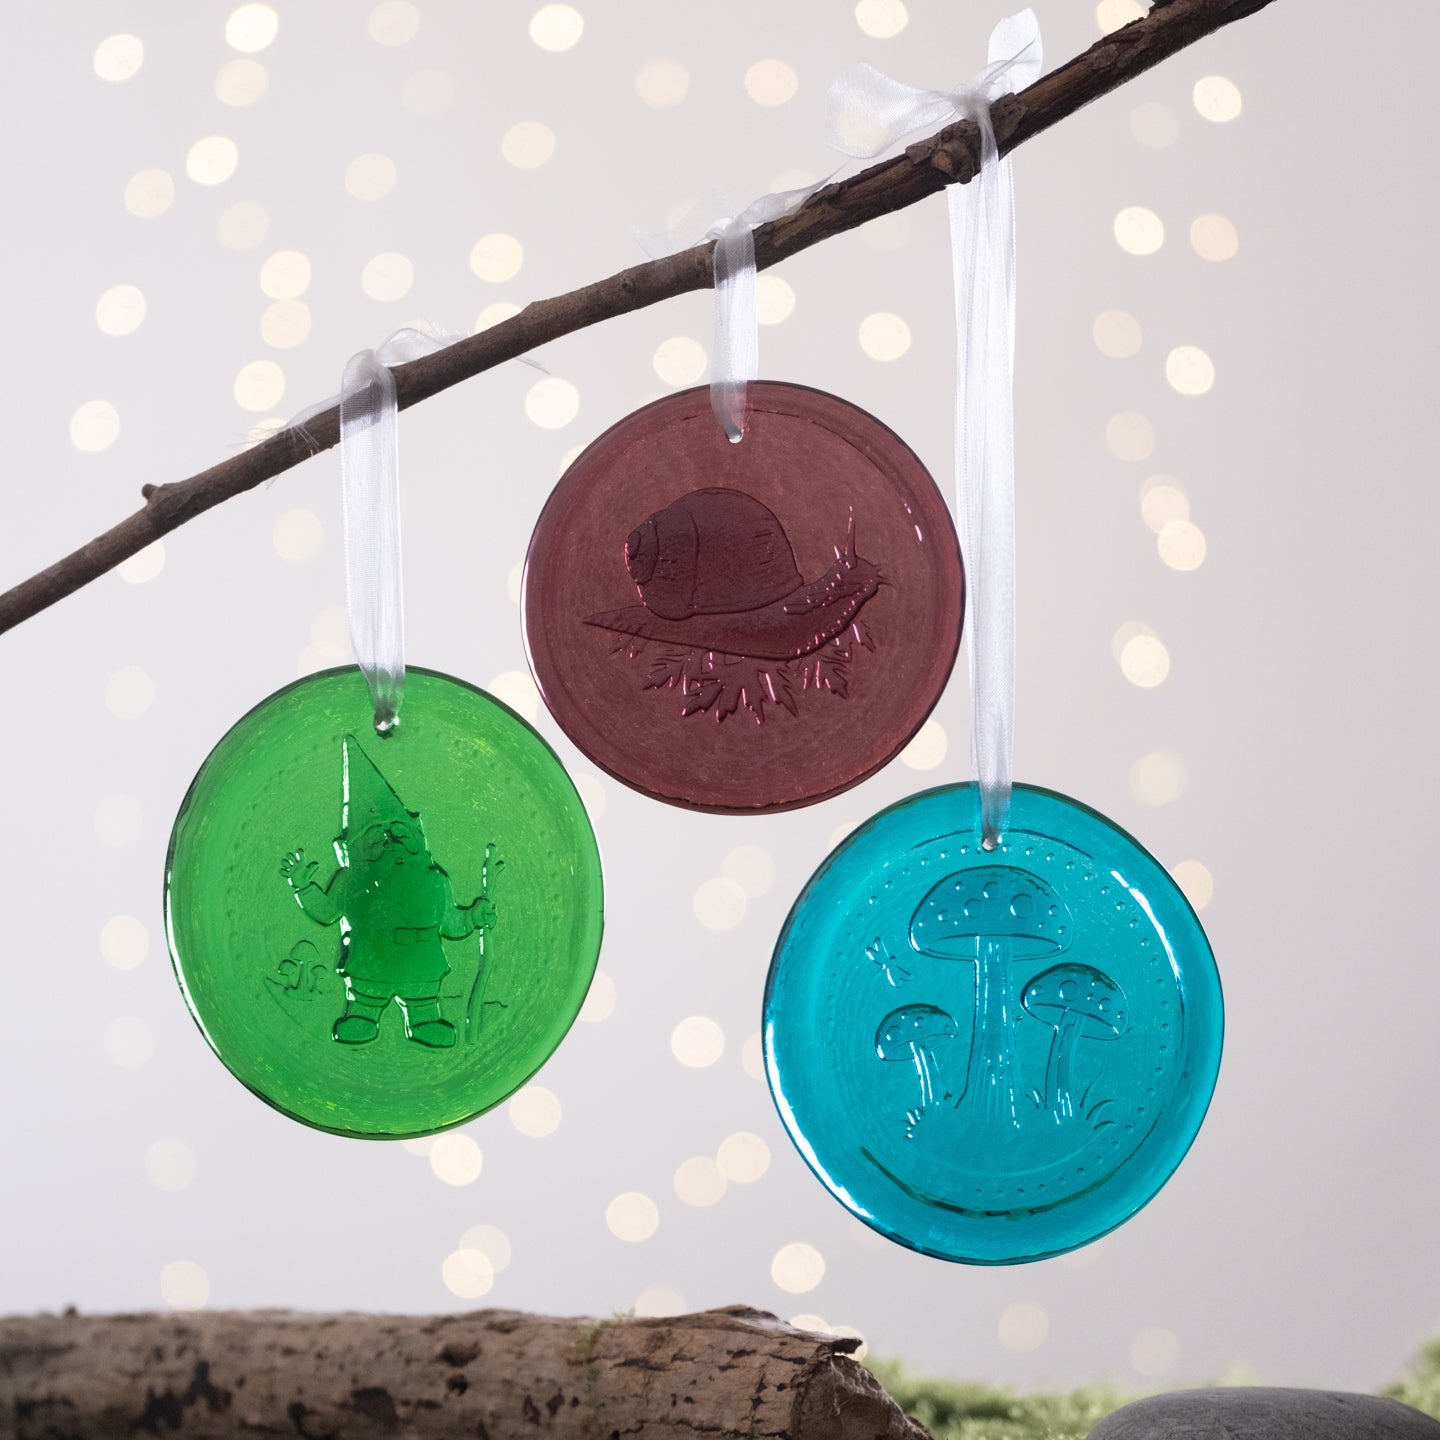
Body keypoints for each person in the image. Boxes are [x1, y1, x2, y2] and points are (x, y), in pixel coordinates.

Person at [280, 735, 495, 1048]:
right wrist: (302, 885)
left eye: (401, 835)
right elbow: (326, 912)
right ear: (356, 851)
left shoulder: (435, 882)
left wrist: (475, 915)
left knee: (422, 1000)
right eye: (379, 838)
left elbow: (451, 922)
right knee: (366, 999)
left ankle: (425, 1021)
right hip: (370, 964)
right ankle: (362, 1017)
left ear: (419, 843)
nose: (393, 843)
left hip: (421, 965)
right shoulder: (351, 881)